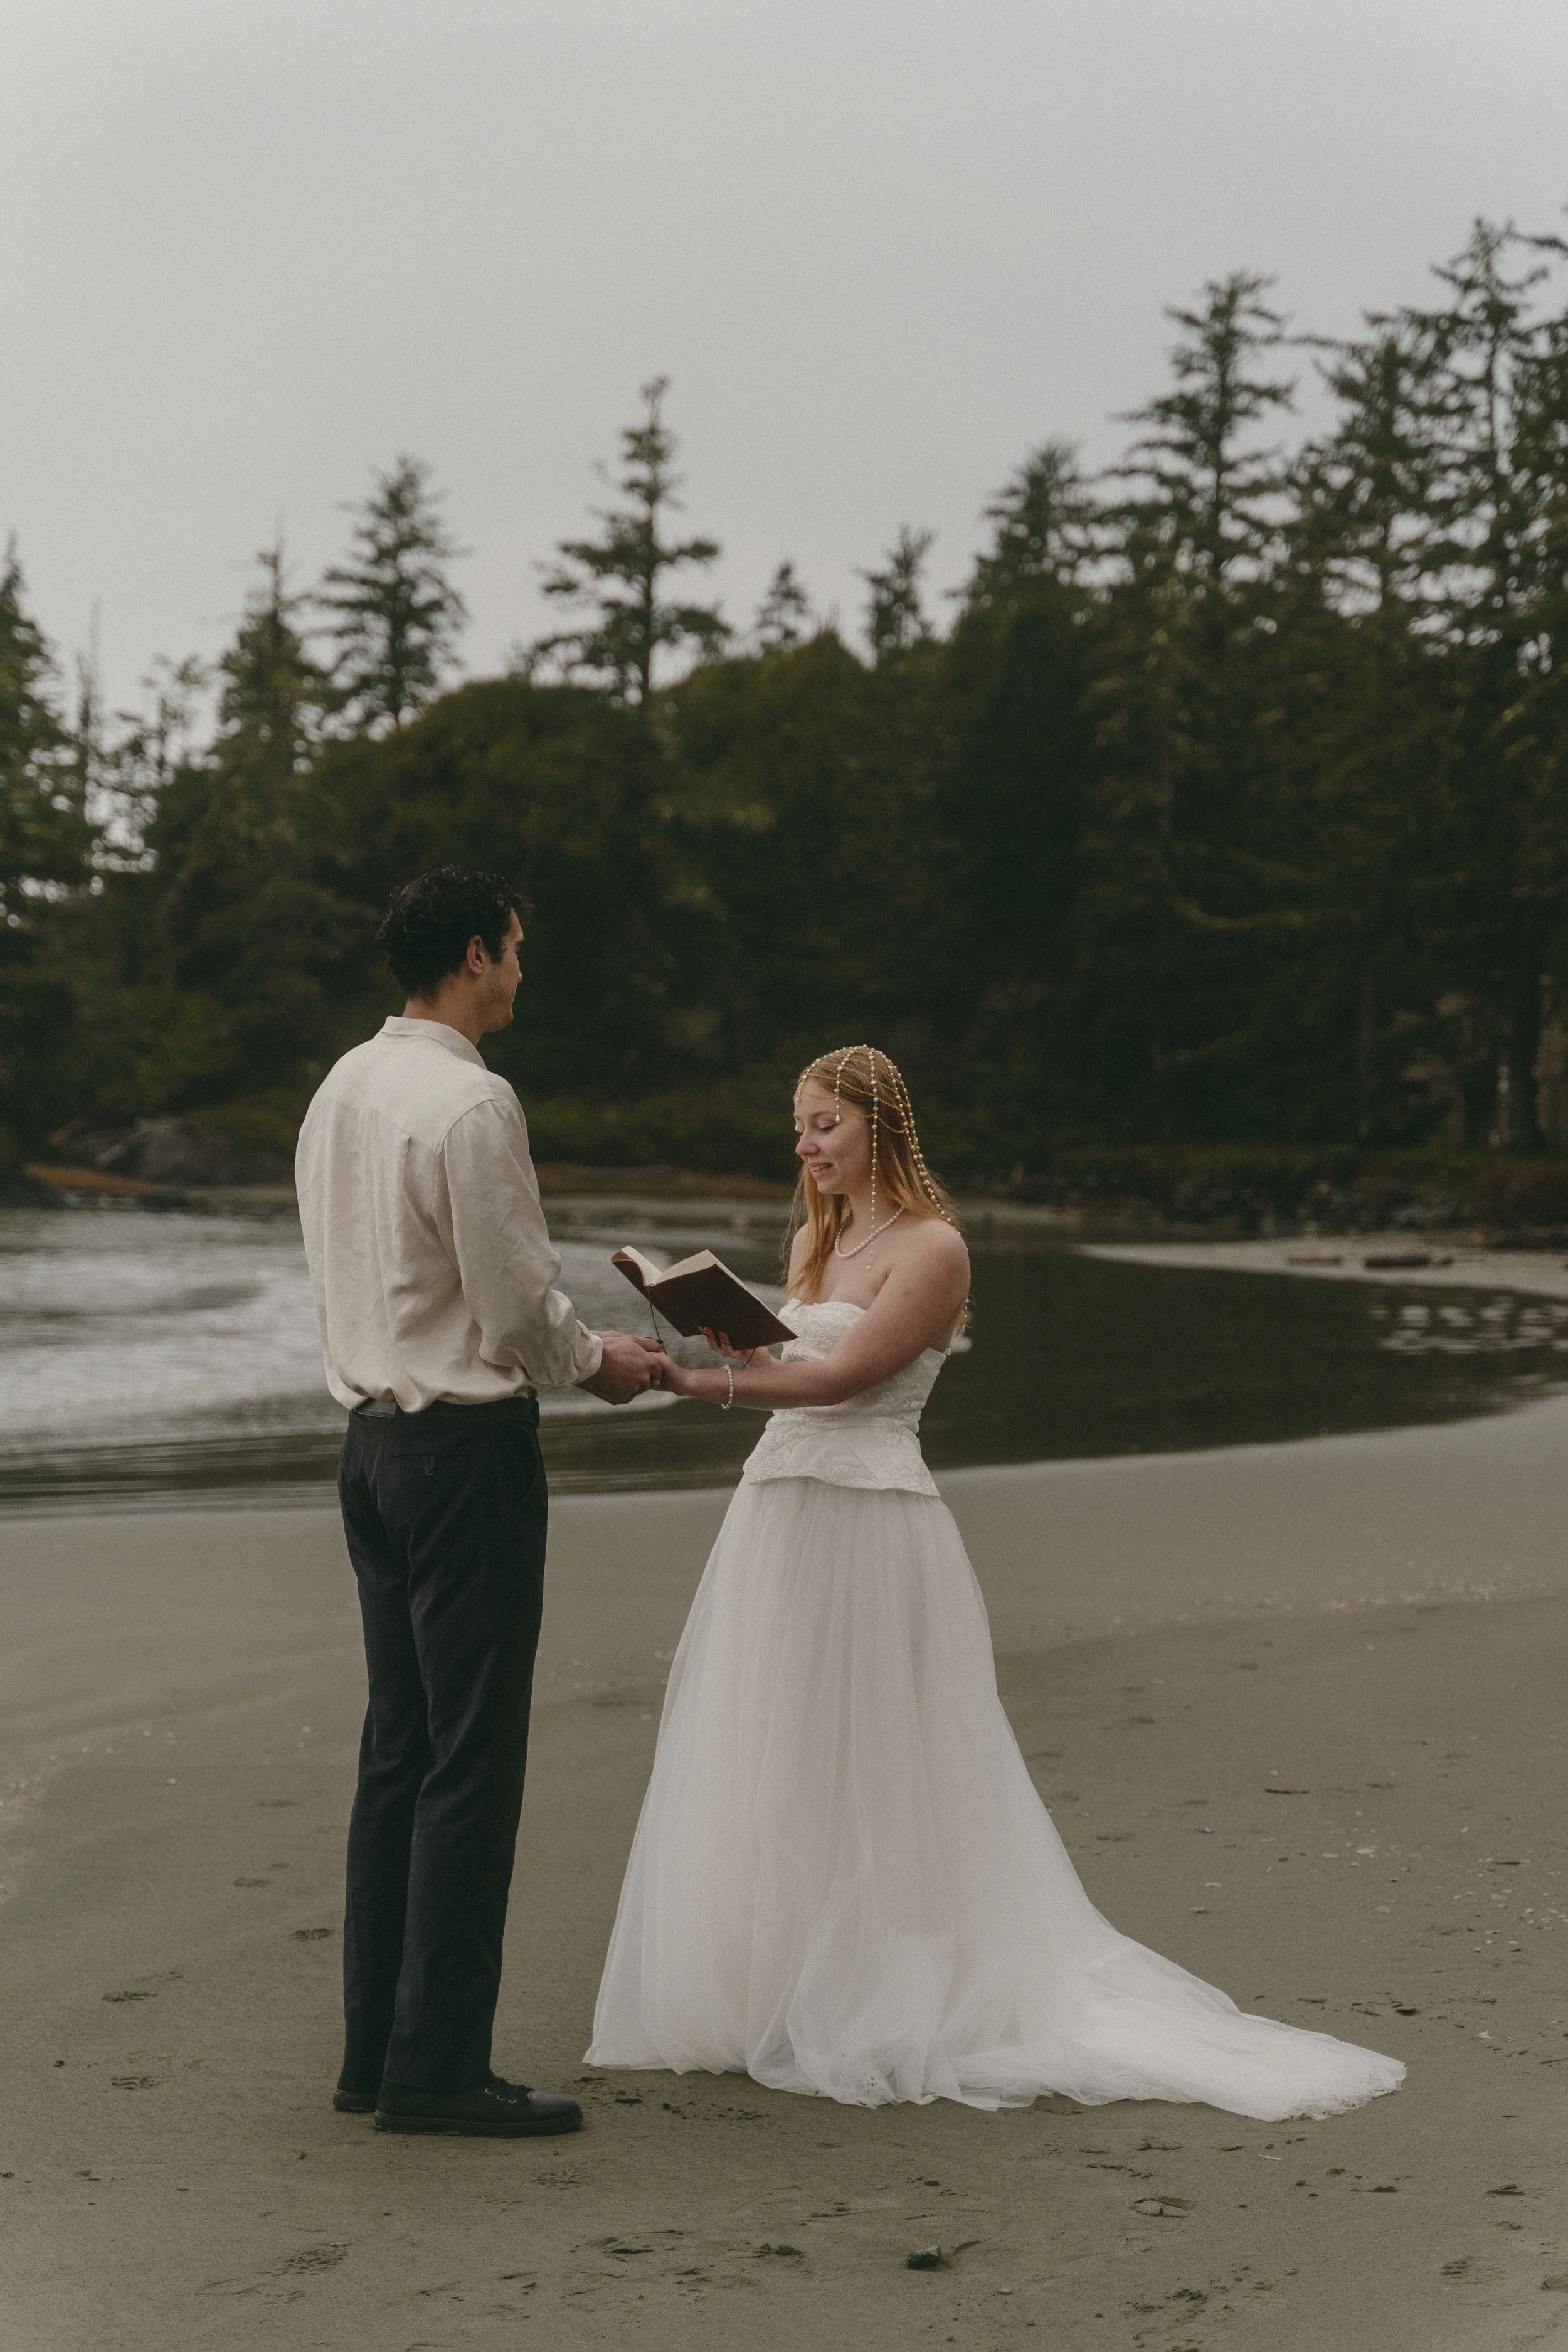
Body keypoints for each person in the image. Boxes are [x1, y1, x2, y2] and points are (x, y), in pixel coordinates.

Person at [588, 1044, 1404, 2120]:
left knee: (882, 1752)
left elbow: (839, 1378)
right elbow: (792, 1364)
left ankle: (887, 1981)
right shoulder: (812, 1239)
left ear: (879, 1125)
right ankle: (781, 1980)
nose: (806, 1145)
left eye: (825, 1124)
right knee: (778, 1738)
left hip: (872, 1517)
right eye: (799, 1125)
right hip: (776, 1509)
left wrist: (693, 1376)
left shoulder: (937, 1249)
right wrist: (712, 1325)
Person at [295, 864, 660, 2138]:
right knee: (470, 1761)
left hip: (370, 1453)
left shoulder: (342, 1084)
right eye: (513, 947)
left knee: (399, 1750)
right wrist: (598, 1363)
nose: (521, 969)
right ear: (470, 956)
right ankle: (438, 2072)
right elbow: (511, 1307)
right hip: (460, 1457)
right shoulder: (470, 1103)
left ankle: (372, 2059)